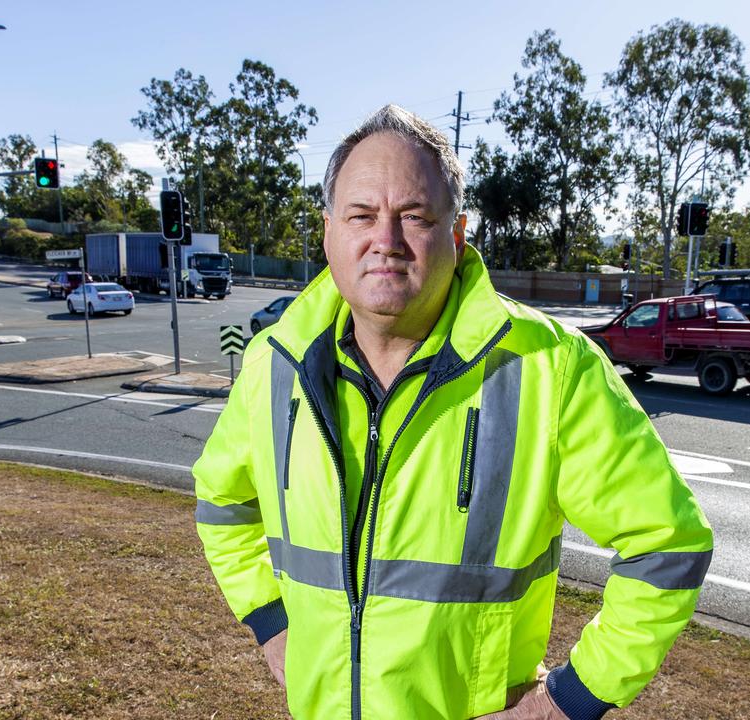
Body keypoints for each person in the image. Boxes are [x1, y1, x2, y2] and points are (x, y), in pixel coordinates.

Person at [193, 105, 713, 720]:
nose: (384, 241)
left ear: (457, 234)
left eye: (414, 217)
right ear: (329, 230)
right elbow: (221, 503)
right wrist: (270, 621)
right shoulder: (273, 362)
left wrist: (566, 703)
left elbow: (668, 545)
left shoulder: (551, 367)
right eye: (361, 215)